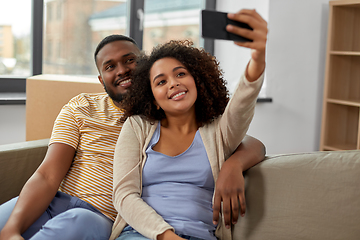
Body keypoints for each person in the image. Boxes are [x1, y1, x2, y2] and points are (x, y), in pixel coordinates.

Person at [0, 34, 265, 240]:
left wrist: (234, 164)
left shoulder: (164, 117)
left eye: (130, 60)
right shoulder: (85, 107)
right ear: (101, 79)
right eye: (109, 66)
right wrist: (11, 229)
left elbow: (239, 132)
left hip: (101, 216)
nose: (122, 70)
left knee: (77, 222)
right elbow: (47, 175)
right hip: (58, 199)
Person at [111, 9, 267, 240]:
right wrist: (166, 236)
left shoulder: (219, 132)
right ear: (153, 98)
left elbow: (243, 103)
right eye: (161, 81)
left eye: (180, 74)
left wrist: (257, 56)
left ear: (198, 81)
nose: (173, 84)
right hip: (141, 234)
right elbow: (124, 195)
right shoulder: (138, 127)